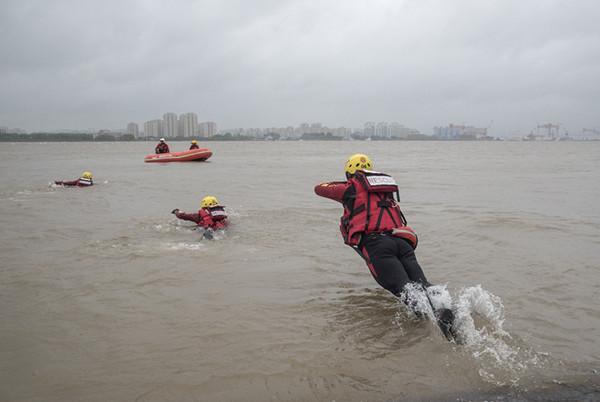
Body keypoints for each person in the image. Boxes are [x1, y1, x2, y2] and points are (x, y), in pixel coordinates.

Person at [314, 154, 456, 340]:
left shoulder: (350, 189)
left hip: (378, 246)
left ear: (350, 173)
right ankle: (449, 309)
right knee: (422, 284)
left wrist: (348, 181)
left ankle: (433, 325)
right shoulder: (384, 189)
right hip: (402, 242)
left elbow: (319, 188)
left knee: (403, 289)